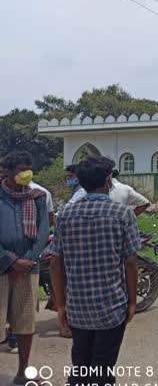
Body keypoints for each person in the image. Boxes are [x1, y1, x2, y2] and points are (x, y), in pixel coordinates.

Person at [50, 155, 140, 386]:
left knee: (80, 361)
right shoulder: (122, 214)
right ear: (108, 180)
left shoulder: (65, 217)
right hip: (111, 307)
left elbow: (56, 264)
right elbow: (130, 263)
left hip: (77, 307)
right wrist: (132, 302)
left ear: (80, 181)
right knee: (103, 364)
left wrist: (61, 304)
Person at [0, 152, 50, 385]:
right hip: (2, 268)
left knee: (25, 323)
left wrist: (27, 260)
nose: (26, 173)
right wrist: (10, 261)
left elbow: (42, 232)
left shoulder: (38, 196)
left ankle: (22, 372)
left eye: (28, 168)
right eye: (21, 169)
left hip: (28, 268)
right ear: (8, 171)